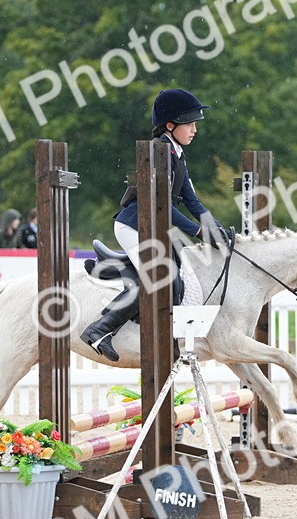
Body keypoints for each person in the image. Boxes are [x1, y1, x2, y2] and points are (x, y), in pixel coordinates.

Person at [80, 88, 226, 362]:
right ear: (170, 125)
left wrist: (215, 227)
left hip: (154, 226)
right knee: (158, 277)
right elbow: (164, 207)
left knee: (177, 276)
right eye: (190, 123)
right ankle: (99, 330)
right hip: (135, 226)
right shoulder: (161, 152)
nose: (195, 129)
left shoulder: (177, 154)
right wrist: (197, 231)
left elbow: (192, 200)